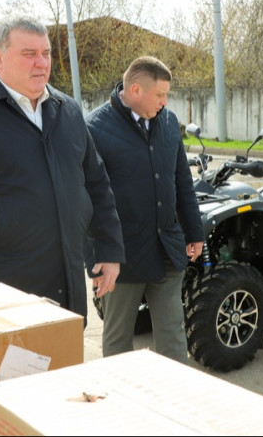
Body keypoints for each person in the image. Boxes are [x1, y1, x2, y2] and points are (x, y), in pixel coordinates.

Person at [0, 15, 125, 320]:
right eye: (29, 54)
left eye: (46, 53)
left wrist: (108, 249)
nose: (41, 63)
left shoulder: (68, 111)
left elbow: (97, 185)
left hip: (66, 299)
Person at [85, 55, 204, 364]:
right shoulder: (94, 129)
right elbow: (86, 200)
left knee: (173, 335)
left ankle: (174, 393)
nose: (165, 102)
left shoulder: (168, 122)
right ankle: (120, 394)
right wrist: (96, 258)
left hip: (167, 250)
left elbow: (182, 181)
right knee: (118, 339)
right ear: (135, 90)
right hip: (120, 259)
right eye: (160, 95)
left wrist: (194, 232)